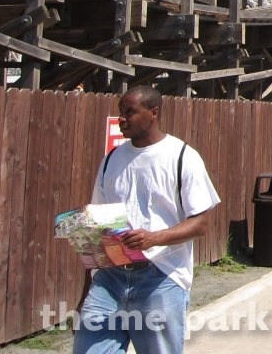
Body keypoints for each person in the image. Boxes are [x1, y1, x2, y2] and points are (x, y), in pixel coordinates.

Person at [74, 86, 220, 354]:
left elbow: (201, 223)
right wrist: (87, 290)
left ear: (154, 113)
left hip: (161, 277)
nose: (122, 119)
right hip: (109, 278)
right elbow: (98, 228)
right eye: (121, 112)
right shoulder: (111, 160)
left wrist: (152, 238)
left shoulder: (182, 157)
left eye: (130, 112)